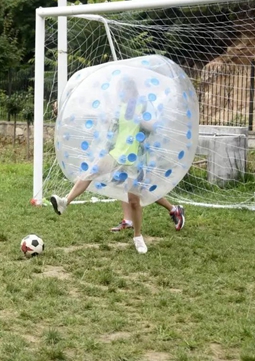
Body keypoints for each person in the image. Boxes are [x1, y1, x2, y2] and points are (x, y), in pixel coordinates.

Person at [50, 77, 168, 254]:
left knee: (134, 201)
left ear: (132, 91)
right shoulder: (119, 108)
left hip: (134, 159)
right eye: (121, 91)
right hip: (116, 153)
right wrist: (65, 110)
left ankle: (137, 236)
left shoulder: (142, 106)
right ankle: (65, 201)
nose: (122, 94)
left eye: (125, 90)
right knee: (91, 172)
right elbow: (97, 116)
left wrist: (141, 120)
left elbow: (154, 127)